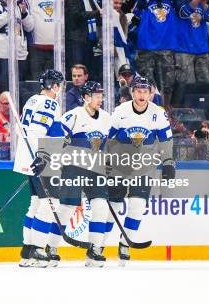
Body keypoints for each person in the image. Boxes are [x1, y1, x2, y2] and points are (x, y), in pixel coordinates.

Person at [105, 76, 175, 266]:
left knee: (137, 206)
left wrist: (168, 162)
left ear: (151, 94)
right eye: (138, 91)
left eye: (145, 91)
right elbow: (108, 138)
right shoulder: (120, 111)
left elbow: (166, 141)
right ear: (132, 92)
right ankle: (99, 245)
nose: (142, 95)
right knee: (113, 207)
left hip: (144, 166)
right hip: (119, 165)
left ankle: (125, 244)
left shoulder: (158, 114)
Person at [57, 81, 112, 267]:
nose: (100, 99)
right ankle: (49, 247)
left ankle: (95, 249)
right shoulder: (72, 115)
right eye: (96, 95)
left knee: (101, 206)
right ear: (86, 97)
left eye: (101, 95)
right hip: (73, 166)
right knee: (67, 208)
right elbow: (56, 137)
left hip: (95, 168)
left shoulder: (106, 118)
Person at [15, 69, 64, 268]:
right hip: (43, 158)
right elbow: (38, 130)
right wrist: (43, 156)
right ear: (54, 86)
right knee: (51, 203)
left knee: (36, 202)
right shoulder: (50, 103)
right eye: (59, 84)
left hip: (30, 158)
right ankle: (37, 248)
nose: (60, 89)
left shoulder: (32, 100)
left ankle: (26, 251)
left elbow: (22, 129)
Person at [133, 0, 181, 103]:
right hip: (146, 49)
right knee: (147, 84)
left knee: (167, 84)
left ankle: (165, 112)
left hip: (166, 49)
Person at [173, 0, 209, 85]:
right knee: (187, 86)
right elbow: (183, 13)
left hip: (202, 48)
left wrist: (203, 2)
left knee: (206, 85)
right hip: (183, 49)